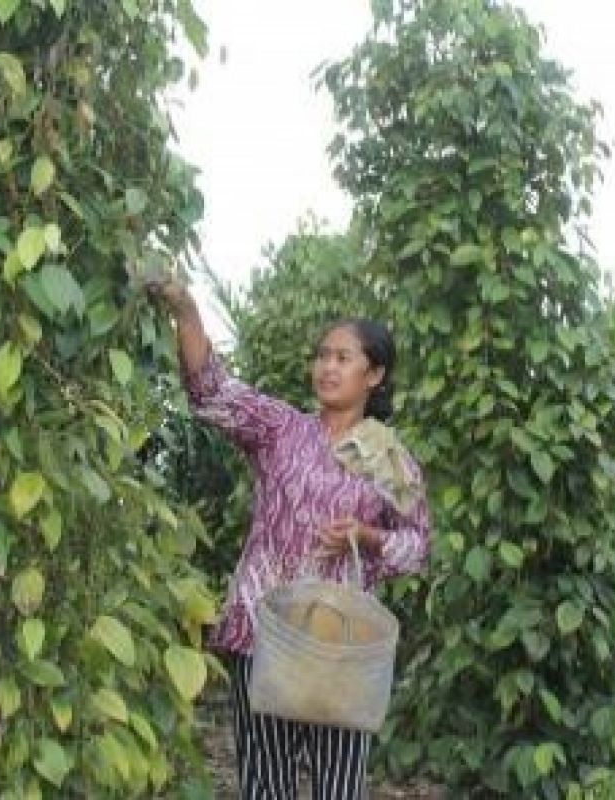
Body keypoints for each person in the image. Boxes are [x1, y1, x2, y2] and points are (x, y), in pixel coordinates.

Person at [147, 275, 432, 800]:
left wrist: (368, 537)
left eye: (344, 357)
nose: (328, 366)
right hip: (266, 633)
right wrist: (185, 308)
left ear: (375, 374)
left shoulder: (390, 460)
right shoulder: (281, 429)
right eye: (323, 355)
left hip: (341, 646)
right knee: (265, 786)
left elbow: (417, 547)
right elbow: (213, 393)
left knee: (339, 789)